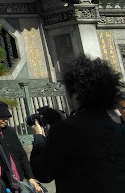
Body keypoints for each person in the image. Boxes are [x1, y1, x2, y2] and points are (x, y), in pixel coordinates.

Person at [30, 54, 125, 192]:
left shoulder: (65, 130)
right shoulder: (120, 130)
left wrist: (39, 138)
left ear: (76, 95)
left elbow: (43, 173)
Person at [0, 101, 42, 193]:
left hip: (19, 178)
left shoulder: (9, 132)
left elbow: (22, 155)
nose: (5, 120)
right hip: (0, 182)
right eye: (2, 118)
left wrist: (30, 177)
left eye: (6, 118)